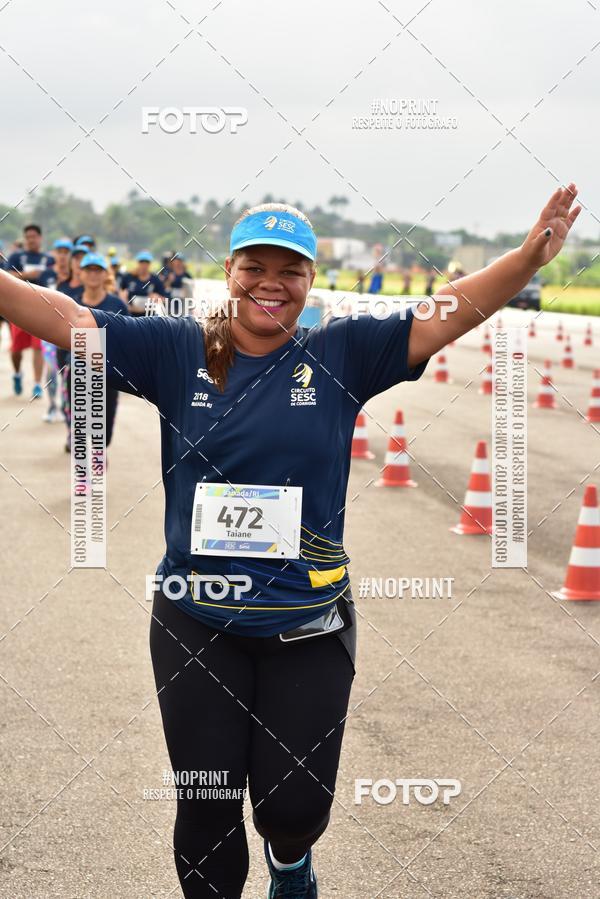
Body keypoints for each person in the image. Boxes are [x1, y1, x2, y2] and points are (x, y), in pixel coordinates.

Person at [0, 186, 581, 899]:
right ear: (230, 270)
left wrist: (525, 260)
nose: (271, 282)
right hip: (196, 617)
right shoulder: (179, 348)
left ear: (309, 281)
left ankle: (291, 860)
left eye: (291, 269)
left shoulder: (343, 352)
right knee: (207, 811)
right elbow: (67, 318)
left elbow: (445, 311)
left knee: (293, 808)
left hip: (306, 621)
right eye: (255, 265)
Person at [76, 253, 128, 460]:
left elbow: (128, 338)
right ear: (81, 274)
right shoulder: (73, 306)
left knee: (104, 424)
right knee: (80, 423)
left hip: (108, 374)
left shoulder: (117, 305)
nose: (93, 274)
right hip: (79, 372)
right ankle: (84, 475)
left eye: (98, 270)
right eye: (89, 270)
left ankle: (99, 452)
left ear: (105, 274)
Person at [6, 224, 55, 397]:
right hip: (18, 309)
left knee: (38, 346)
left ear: (40, 238)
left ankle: (36, 384)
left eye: (34, 236)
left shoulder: (48, 259)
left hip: (41, 310)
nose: (31, 240)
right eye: (28, 237)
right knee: (16, 350)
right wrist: (26, 276)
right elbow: (6, 277)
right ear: (25, 239)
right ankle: (17, 374)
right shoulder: (16, 257)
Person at [39, 239, 73, 422]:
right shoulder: (46, 275)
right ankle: (52, 406)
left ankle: (68, 409)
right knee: (52, 369)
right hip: (49, 331)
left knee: (71, 372)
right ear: (55, 253)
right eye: (59, 251)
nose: (62, 255)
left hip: (72, 332)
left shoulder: (77, 277)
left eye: (66, 252)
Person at [120, 250, 169, 316]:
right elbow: (121, 292)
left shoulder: (155, 279)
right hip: (130, 314)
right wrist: (125, 303)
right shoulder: (129, 277)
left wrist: (157, 298)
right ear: (138, 263)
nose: (144, 265)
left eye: (146, 262)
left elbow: (164, 298)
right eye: (142, 262)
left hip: (148, 315)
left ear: (149, 264)